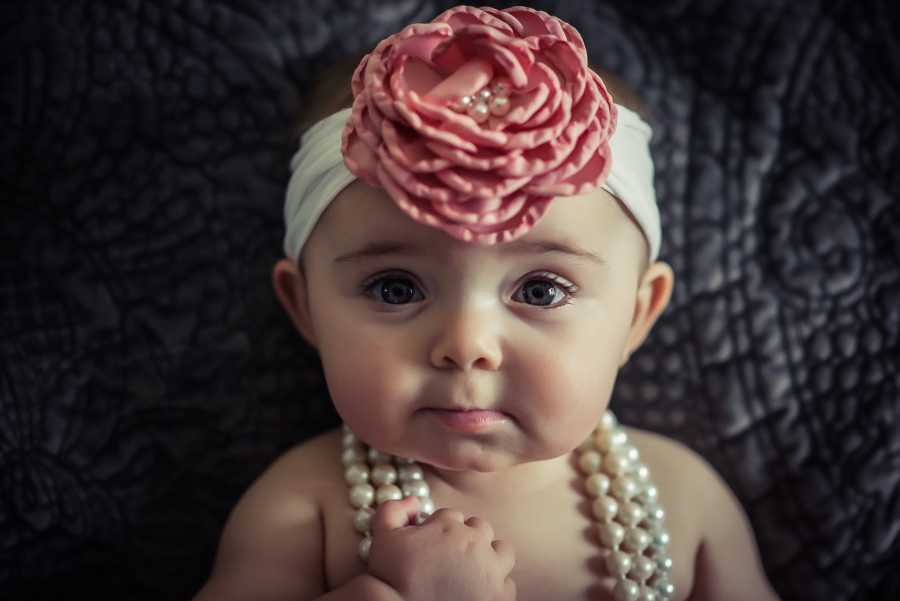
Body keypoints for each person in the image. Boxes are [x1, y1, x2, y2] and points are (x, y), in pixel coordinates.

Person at [193, 6, 780, 601]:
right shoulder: (302, 509)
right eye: (396, 288)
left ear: (636, 315)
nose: (467, 345)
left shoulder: (683, 499)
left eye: (540, 290)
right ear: (306, 309)